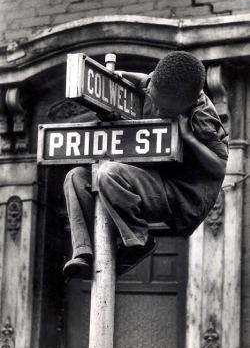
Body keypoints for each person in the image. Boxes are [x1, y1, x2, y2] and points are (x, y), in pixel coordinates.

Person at [63, 51, 228, 279]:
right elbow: (143, 80)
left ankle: (139, 241)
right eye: (156, 101)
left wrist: (189, 137)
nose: (159, 112)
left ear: (186, 104)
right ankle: (83, 252)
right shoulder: (161, 82)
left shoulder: (202, 116)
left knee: (108, 173)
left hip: (179, 194)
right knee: (76, 176)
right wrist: (113, 78)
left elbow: (220, 166)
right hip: (152, 174)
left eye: (167, 111)